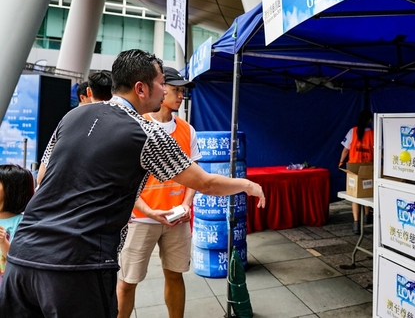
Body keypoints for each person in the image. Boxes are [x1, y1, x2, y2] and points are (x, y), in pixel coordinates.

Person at [0, 49, 265, 317]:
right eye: (162, 83)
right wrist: (247, 185)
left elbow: (43, 177)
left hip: (22, 256)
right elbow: (205, 183)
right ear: (141, 88)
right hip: (76, 265)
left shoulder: (71, 117)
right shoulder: (146, 133)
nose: (165, 91)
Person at [116, 67, 199, 318]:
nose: (181, 95)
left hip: (177, 219)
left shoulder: (187, 130)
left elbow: (194, 175)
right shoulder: (137, 127)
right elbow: (123, 179)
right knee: (127, 282)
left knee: (175, 275)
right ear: (161, 90)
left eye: (182, 91)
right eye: (175, 90)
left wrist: (186, 204)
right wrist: (148, 211)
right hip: (141, 219)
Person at [339, 110, 374, 234]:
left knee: (355, 195)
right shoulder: (373, 134)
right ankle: (367, 217)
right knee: (367, 192)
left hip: (353, 168)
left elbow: (346, 150)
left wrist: (341, 162)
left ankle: (356, 224)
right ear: (370, 120)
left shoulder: (352, 131)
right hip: (368, 167)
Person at [0, 164, 34, 286]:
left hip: (7, 285)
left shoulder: (22, 223)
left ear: (12, 191)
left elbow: (19, 258)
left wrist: (3, 242)